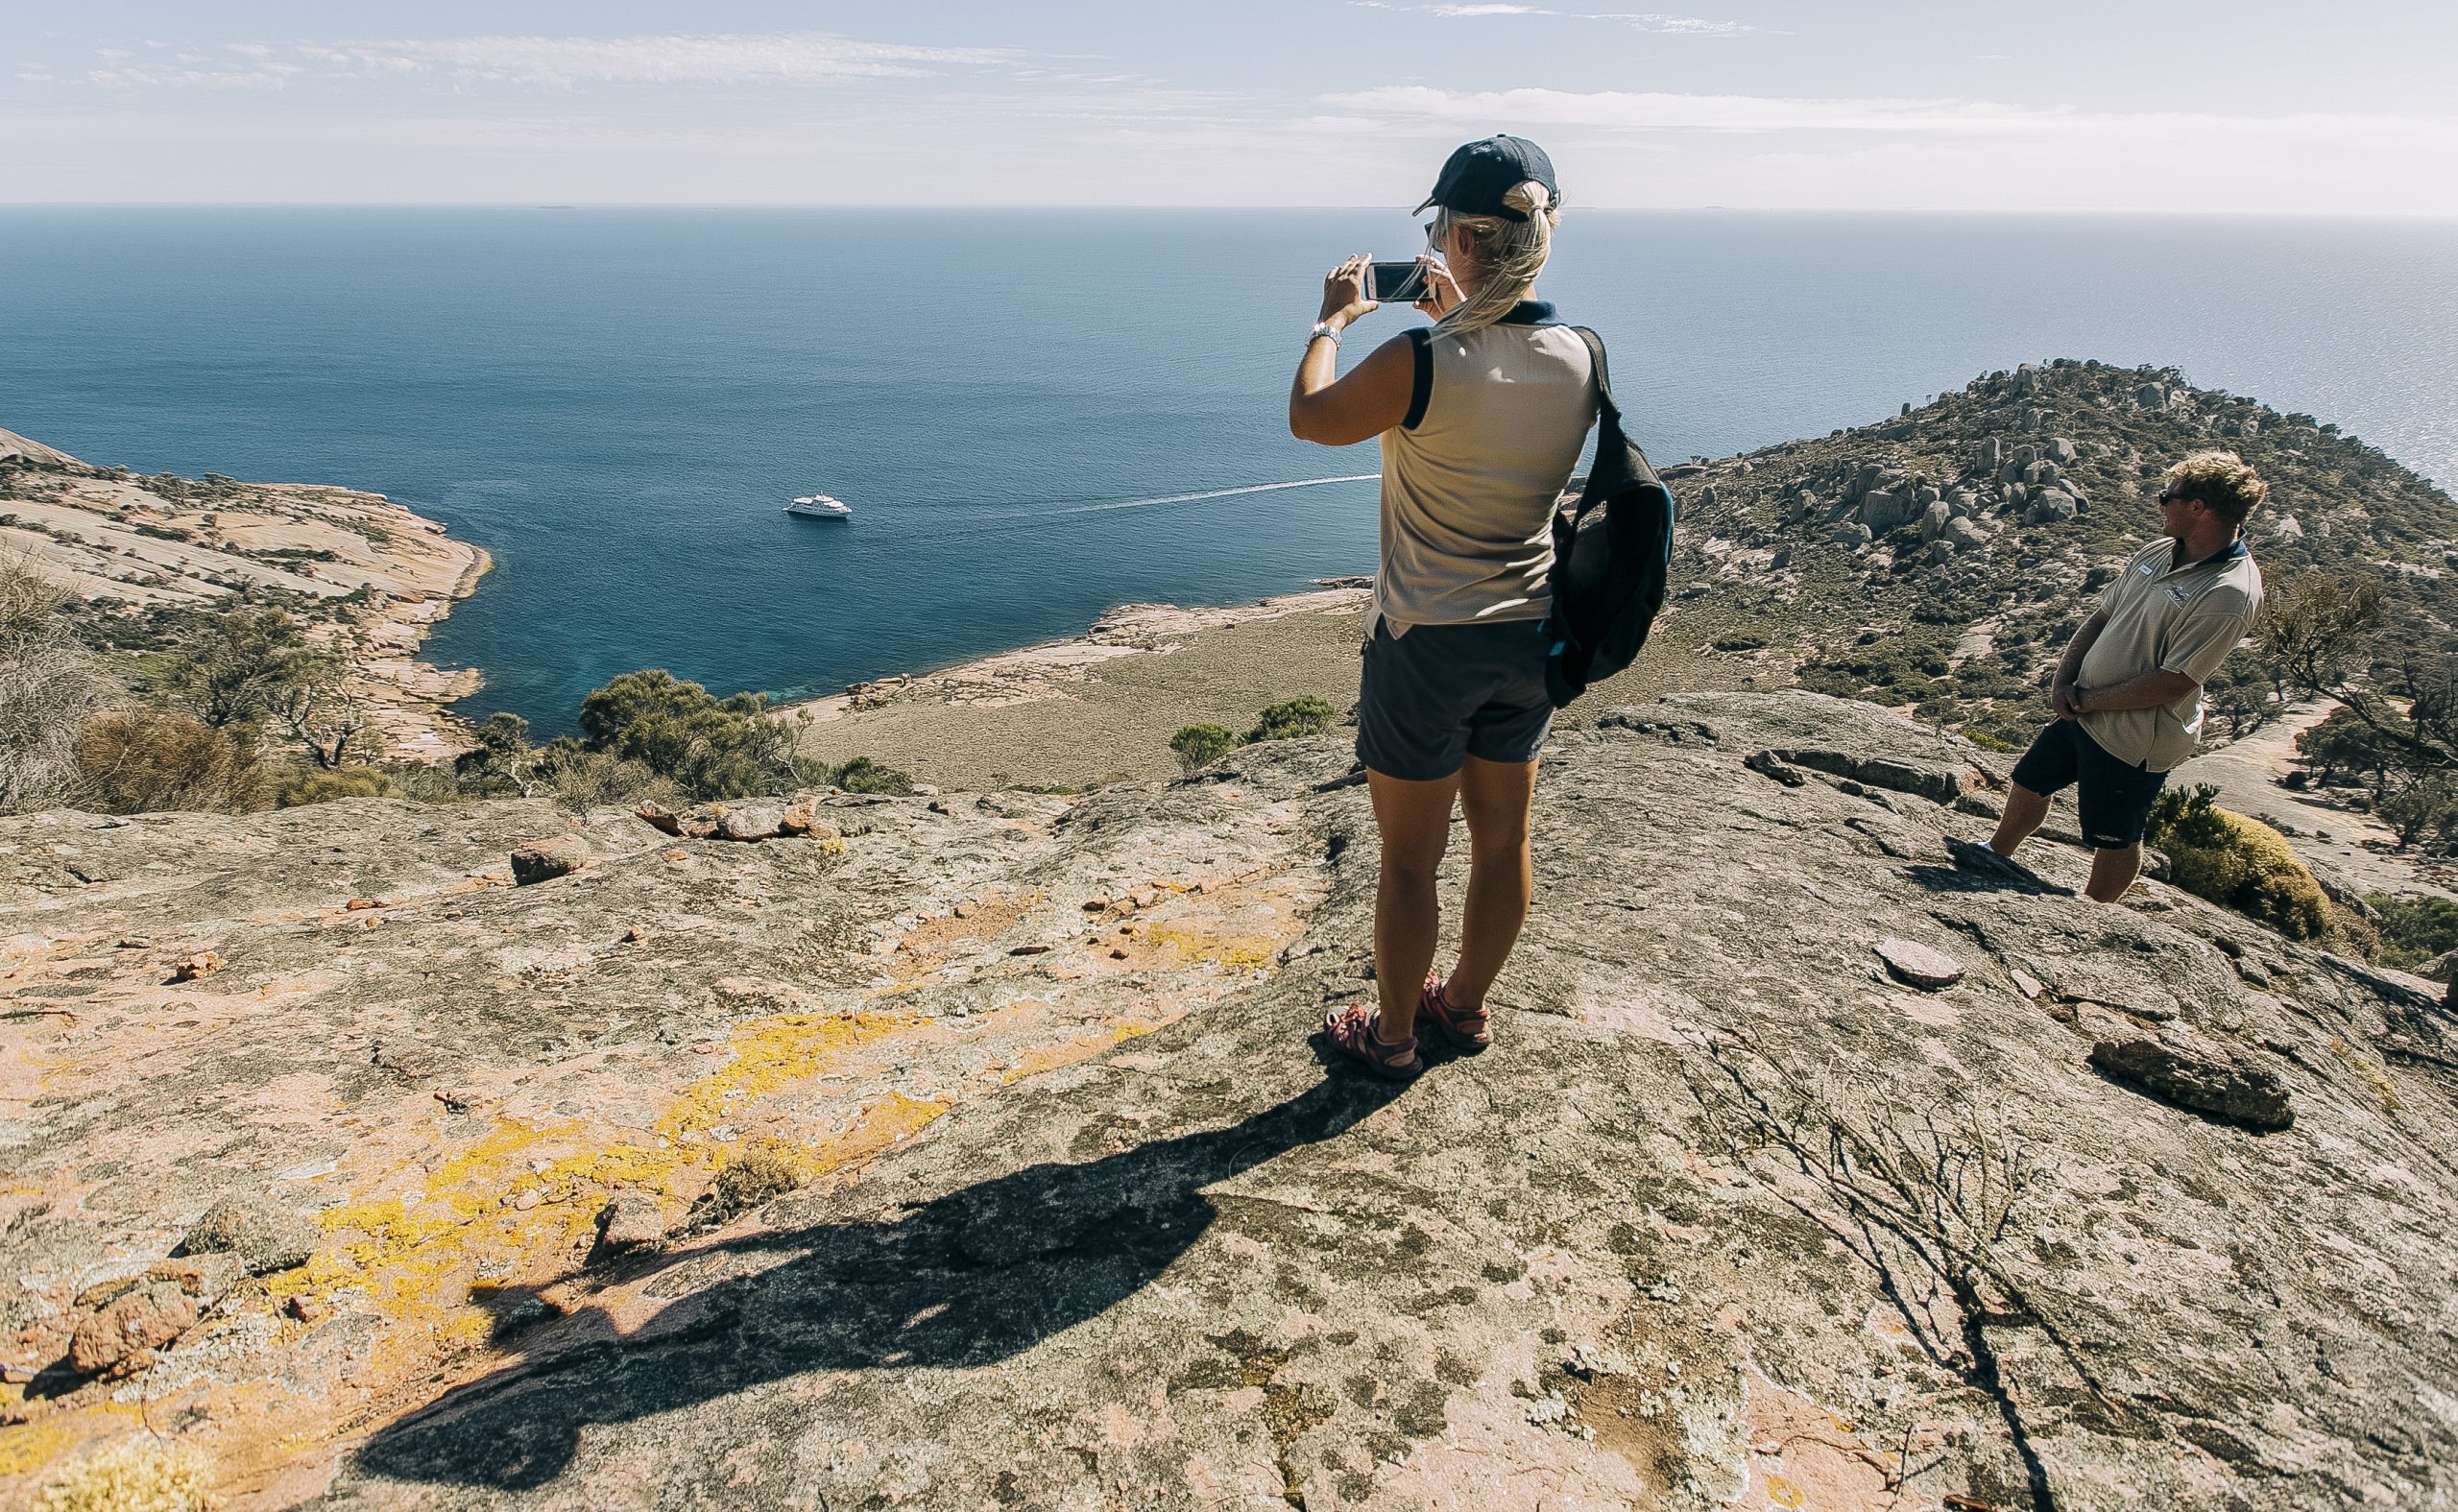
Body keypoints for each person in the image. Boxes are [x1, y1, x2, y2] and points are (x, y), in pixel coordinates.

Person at [1286, 134, 1599, 1079]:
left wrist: (1333, 322)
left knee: (1410, 863)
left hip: (1427, 642)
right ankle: (1462, 1008)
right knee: (1504, 843)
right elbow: (1506, 376)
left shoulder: (1421, 359)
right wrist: (1463, 307)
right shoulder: (1581, 353)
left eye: (1438, 228)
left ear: (1459, 235)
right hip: (1531, 634)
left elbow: (1314, 417)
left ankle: (1388, 1041)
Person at [1988, 450, 2269, 901]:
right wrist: (2064, 682)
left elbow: (2176, 681)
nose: (2160, 504)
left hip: (2138, 736)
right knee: (2030, 779)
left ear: (2198, 507)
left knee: (2114, 834)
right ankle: (1995, 853)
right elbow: (2101, 617)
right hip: (2083, 706)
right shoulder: (2158, 551)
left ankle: (2096, 912)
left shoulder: (2229, 593)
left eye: (2167, 496)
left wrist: (2091, 699)